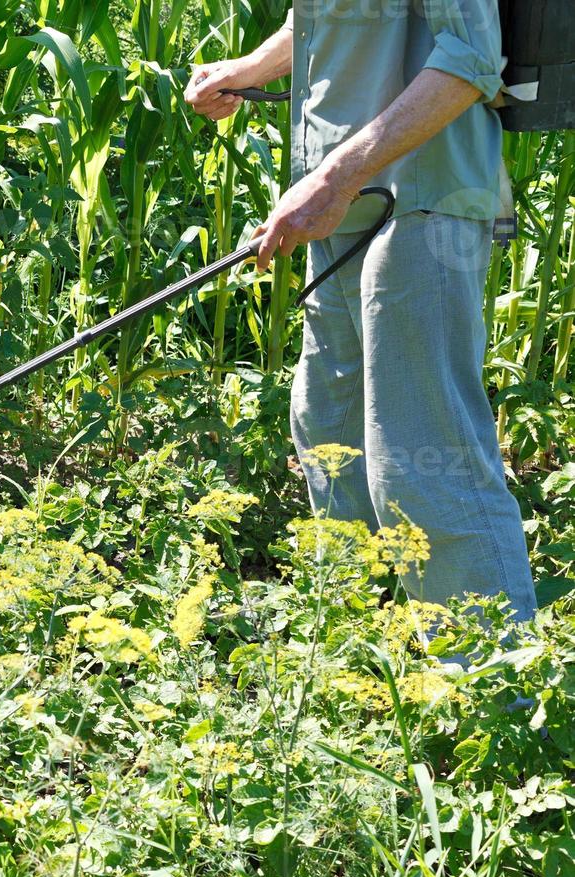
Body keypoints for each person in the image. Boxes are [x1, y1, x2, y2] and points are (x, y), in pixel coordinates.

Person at [185, 1, 537, 622]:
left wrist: (333, 178)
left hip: (424, 197)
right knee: (330, 435)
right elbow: (322, 20)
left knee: (422, 457)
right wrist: (248, 67)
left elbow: (471, 59)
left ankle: (493, 686)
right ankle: (362, 670)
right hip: (341, 201)